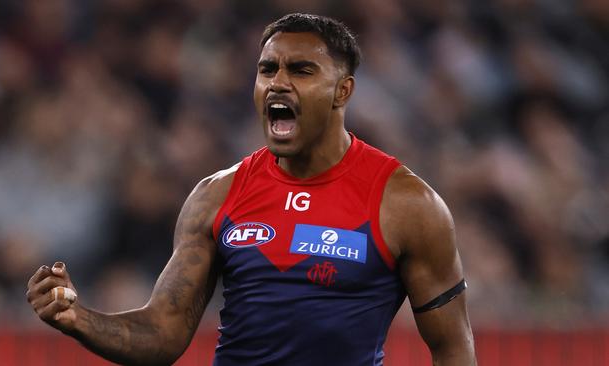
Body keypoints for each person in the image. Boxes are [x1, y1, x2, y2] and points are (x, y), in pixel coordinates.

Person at [26, 13, 476, 365]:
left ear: (342, 92)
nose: (278, 82)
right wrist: (80, 319)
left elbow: (453, 349)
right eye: (267, 69)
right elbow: (162, 334)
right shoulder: (217, 196)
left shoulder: (406, 203)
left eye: (301, 70)